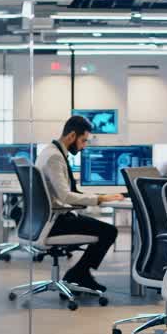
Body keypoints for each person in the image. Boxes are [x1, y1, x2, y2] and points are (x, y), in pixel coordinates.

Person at [35, 115, 125, 292]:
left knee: (99, 228)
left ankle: (79, 272)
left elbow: (66, 193)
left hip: (48, 218)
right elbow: (66, 196)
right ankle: (80, 273)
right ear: (71, 136)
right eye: (83, 141)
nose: (84, 146)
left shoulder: (50, 151)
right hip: (56, 222)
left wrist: (99, 196)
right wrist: (100, 199)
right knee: (109, 231)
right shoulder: (55, 157)